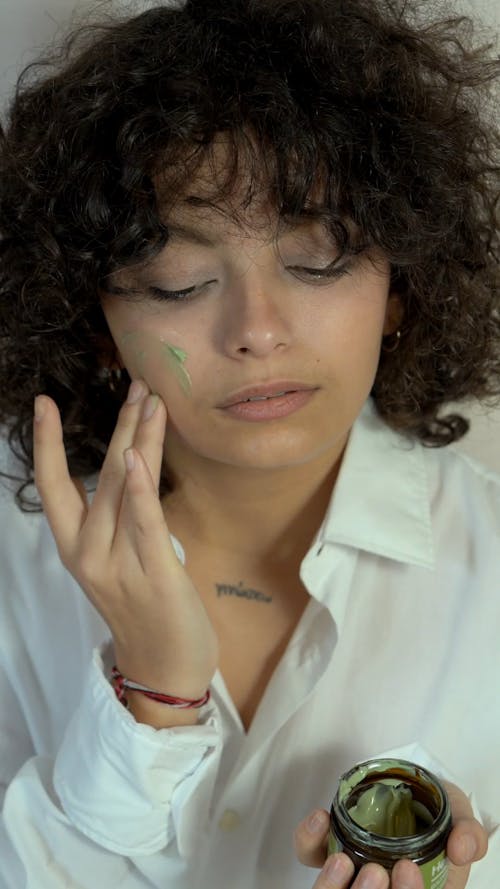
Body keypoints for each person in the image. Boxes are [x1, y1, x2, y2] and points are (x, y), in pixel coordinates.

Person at [0, 0, 498, 887]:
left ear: (402, 284)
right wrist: (151, 698)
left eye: (318, 260)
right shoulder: (11, 563)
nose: (257, 332)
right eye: (177, 279)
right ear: (95, 317)